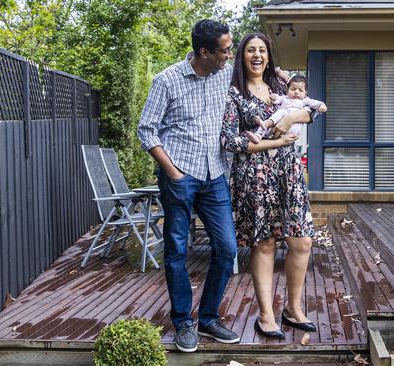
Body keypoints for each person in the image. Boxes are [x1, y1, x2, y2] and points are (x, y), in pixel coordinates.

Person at [137, 19, 240, 352]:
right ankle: (183, 322)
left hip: (215, 177)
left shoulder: (224, 73)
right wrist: (173, 173)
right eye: (225, 50)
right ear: (204, 51)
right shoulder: (167, 80)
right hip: (180, 175)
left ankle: (208, 318)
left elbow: (259, 78)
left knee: (226, 249)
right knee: (176, 252)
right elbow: (146, 130)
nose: (230, 55)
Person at [221, 32, 316, 339]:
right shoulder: (234, 93)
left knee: (301, 241)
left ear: (268, 56)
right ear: (242, 56)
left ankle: (293, 309)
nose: (257, 55)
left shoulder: (279, 85)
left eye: (262, 50)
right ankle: (265, 315)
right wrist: (273, 140)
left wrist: (293, 118)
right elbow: (229, 140)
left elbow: (310, 108)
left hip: (288, 171)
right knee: (265, 243)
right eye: (251, 50)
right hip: (255, 172)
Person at [246, 74, 327, 143]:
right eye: (293, 89)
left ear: (305, 93)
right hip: (277, 125)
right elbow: (277, 99)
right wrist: (273, 97)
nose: (296, 92)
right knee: (275, 118)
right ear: (287, 90)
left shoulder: (305, 100)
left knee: (280, 113)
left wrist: (322, 105)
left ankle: (266, 125)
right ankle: (258, 135)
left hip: (293, 129)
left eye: (300, 90)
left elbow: (315, 103)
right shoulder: (285, 98)